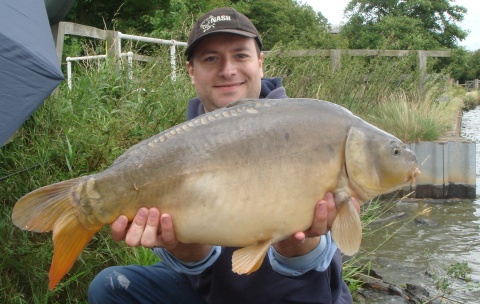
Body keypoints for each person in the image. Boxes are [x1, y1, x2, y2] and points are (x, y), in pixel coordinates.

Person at [88, 7, 356, 304]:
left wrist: (297, 244)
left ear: (260, 63)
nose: (228, 70)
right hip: (216, 293)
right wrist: (180, 246)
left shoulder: (309, 127)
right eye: (211, 58)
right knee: (109, 287)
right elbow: (198, 265)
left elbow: (318, 262)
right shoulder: (177, 147)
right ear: (191, 71)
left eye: (241, 55)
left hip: (302, 294)